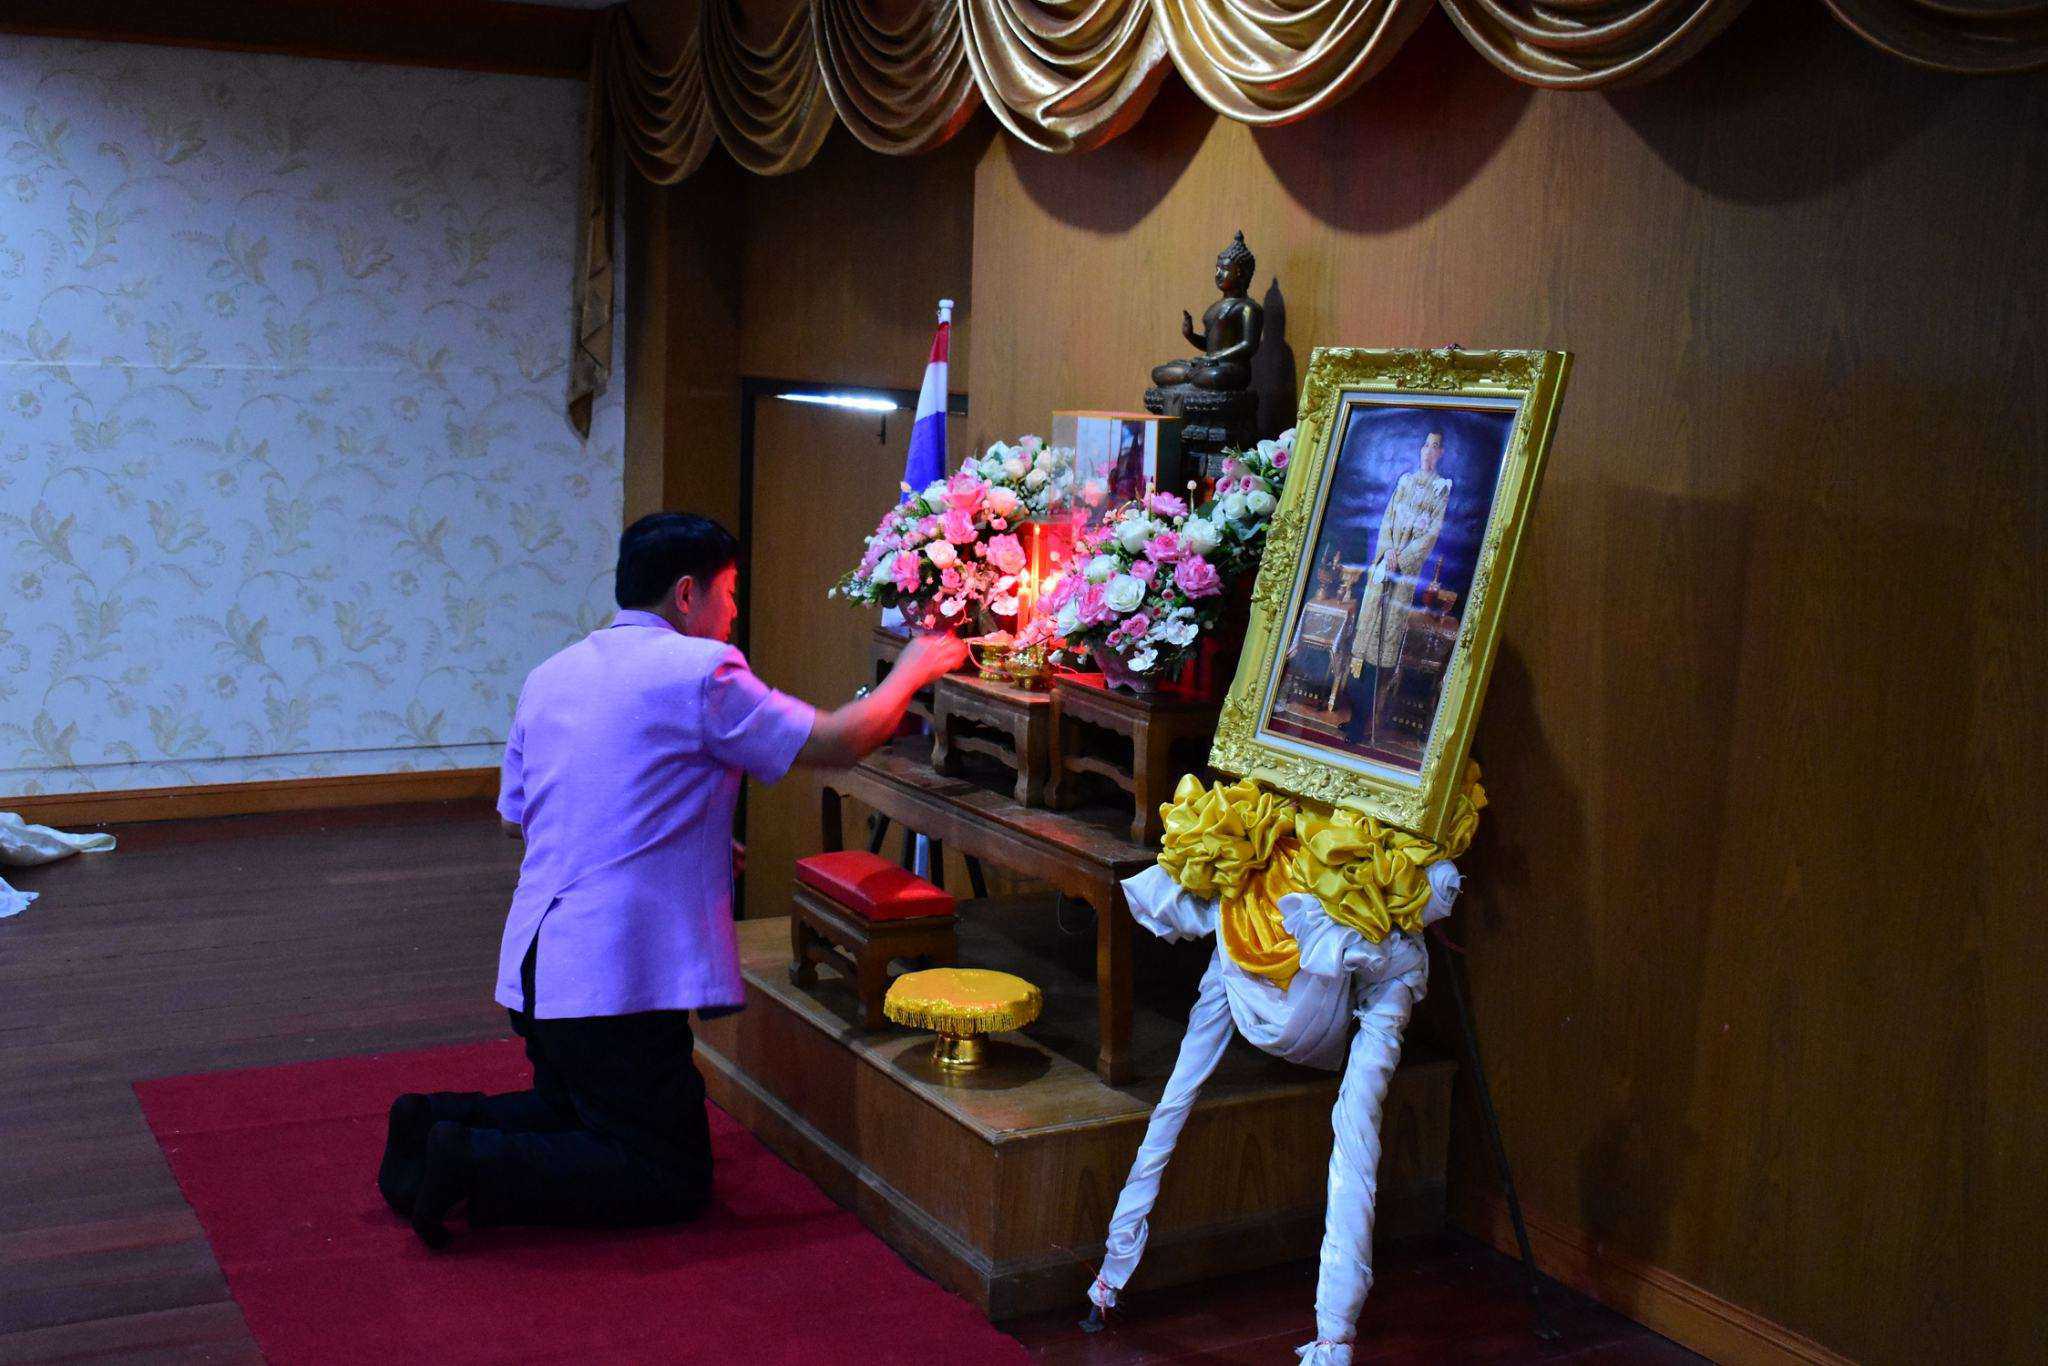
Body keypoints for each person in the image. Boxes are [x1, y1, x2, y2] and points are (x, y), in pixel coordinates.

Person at [376, 511, 966, 1247]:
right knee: (667, 1173)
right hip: (615, 974)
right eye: (730, 592)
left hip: (537, 961)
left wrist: (683, 842)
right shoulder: (701, 671)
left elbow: (518, 819)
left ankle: (429, 1122)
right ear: (687, 594)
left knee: (575, 1111)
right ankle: (466, 1162)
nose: (735, 612)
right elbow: (838, 742)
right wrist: (916, 665)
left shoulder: (552, 674)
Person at [1341, 432, 1450, 748]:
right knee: (1364, 642)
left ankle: (1364, 722)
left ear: (1440, 453)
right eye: (1426, 445)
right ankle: (1355, 715)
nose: (1429, 450)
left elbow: (1430, 534)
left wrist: (1401, 559)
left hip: (1404, 575)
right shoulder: (1405, 481)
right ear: (1421, 449)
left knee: (1382, 646)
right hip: (1382, 566)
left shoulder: (1441, 489)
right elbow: (1388, 518)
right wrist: (1388, 551)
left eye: (1435, 446)